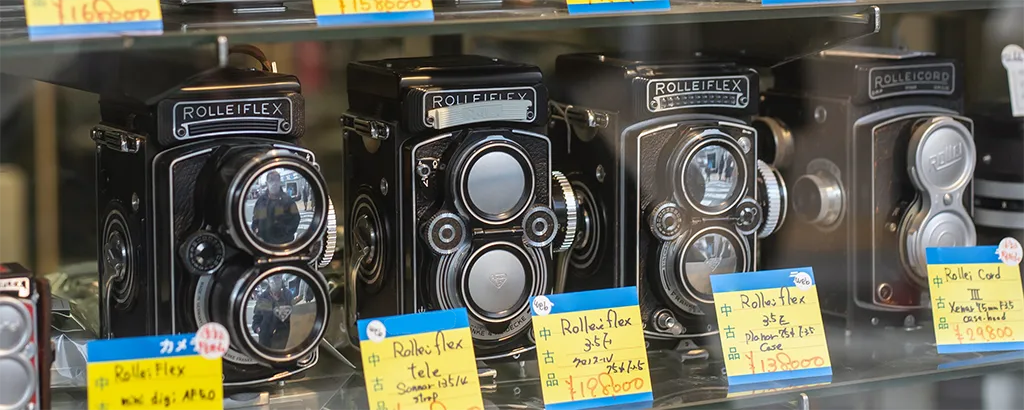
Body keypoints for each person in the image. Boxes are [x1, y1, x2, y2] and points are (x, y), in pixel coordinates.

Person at [250, 171, 301, 245]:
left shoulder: (288, 200)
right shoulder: (261, 201)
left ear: (280, 182)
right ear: (267, 183)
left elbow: (296, 219)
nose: (274, 183)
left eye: (277, 180)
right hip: (263, 243)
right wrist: (256, 231)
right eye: (271, 180)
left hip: (283, 244)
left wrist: (286, 234)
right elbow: (255, 219)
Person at [251, 276, 295, 350]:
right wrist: (257, 328)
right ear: (269, 281)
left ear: (281, 280)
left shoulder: (288, 295)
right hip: (265, 339)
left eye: (277, 278)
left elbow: (294, 315)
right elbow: (257, 317)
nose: (275, 281)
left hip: (283, 338)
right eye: (272, 279)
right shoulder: (263, 297)